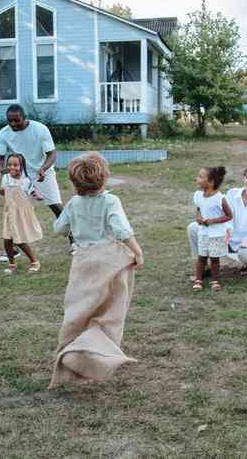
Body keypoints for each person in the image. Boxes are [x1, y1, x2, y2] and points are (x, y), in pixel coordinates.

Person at [48, 152, 143, 389]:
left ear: (75, 182)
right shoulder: (111, 201)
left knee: (79, 312)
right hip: (110, 262)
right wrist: (137, 252)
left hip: (82, 263)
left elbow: (58, 228)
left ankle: (72, 350)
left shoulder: (73, 203)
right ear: (104, 178)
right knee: (110, 313)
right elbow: (121, 230)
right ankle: (91, 352)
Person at [0, 104, 64, 261]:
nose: (13, 124)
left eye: (16, 120)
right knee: (12, 210)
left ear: (24, 118)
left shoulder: (40, 129)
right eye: (9, 121)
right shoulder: (4, 133)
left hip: (42, 172)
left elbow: (52, 153)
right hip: (18, 174)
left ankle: (75, 240)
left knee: (55, 206)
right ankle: (13, 248)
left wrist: (44, 169)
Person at [189, 160, 247, 275]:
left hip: (246, 243)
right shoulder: (232, 194)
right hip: (225, 238)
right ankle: (203, 265)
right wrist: (225, 230)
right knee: (193, 228)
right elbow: (224, 216)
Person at [0, 153, 43, 274]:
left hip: (20, 214)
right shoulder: (6, 178)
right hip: (9, 213)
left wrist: (36, 195)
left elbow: (32, 191)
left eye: (15, 165)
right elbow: (5, 192)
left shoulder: (25, 180)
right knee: (7, 240)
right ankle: (12, 263)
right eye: (10, 164)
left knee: (19, 240)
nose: (12, 167)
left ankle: (35, 262)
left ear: (21, 166)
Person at [190, 166, 233, 292]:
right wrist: (199, 218)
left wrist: (212, 221)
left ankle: (215, 280)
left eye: (200, 177)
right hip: (203, 232)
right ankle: (199, 279)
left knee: (214, 259)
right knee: (201, 256)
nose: (196, 179)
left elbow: (229, 216)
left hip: (217, 234)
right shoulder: (198, 195)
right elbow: (199, 209)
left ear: (211, 182)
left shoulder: (220, 198)